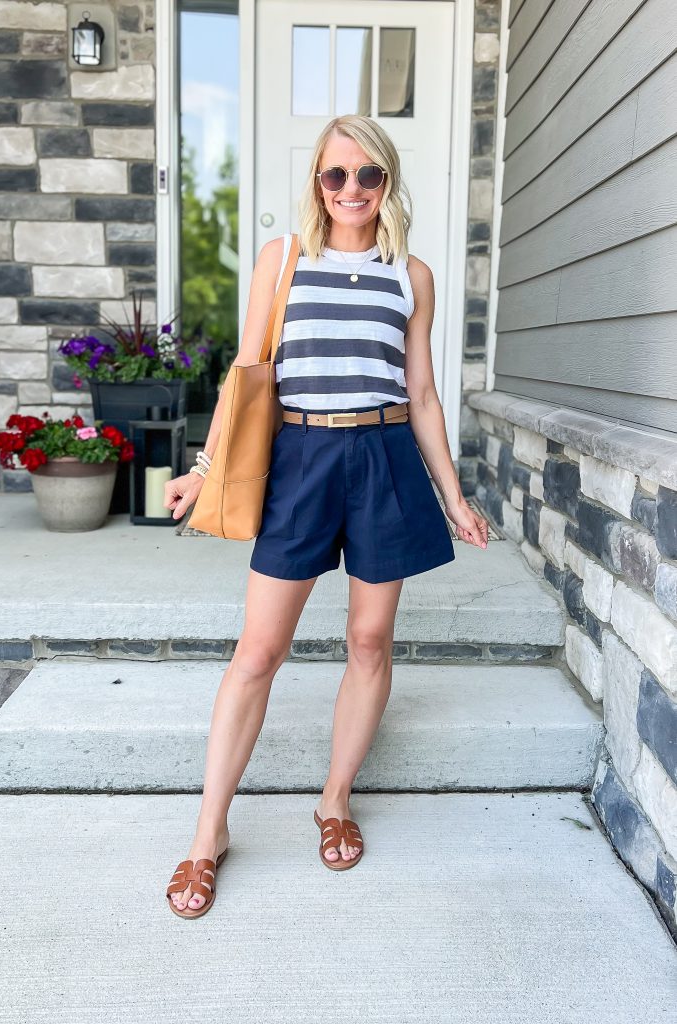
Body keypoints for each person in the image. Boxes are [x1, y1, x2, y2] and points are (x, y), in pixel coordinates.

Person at [163, 114, 489, 918]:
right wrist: (205, 469)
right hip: (302, 462)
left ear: (387, 181)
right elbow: (248, 375)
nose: (350, 190)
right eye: (334, 175)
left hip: (383, 461)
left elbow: (419, 392)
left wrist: (452, 493)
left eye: (366, 175)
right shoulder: (283, 262)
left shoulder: (410, 274)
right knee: (258, 651)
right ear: (316, 181)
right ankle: (208, 836)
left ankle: (333, 800)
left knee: (369, 640)